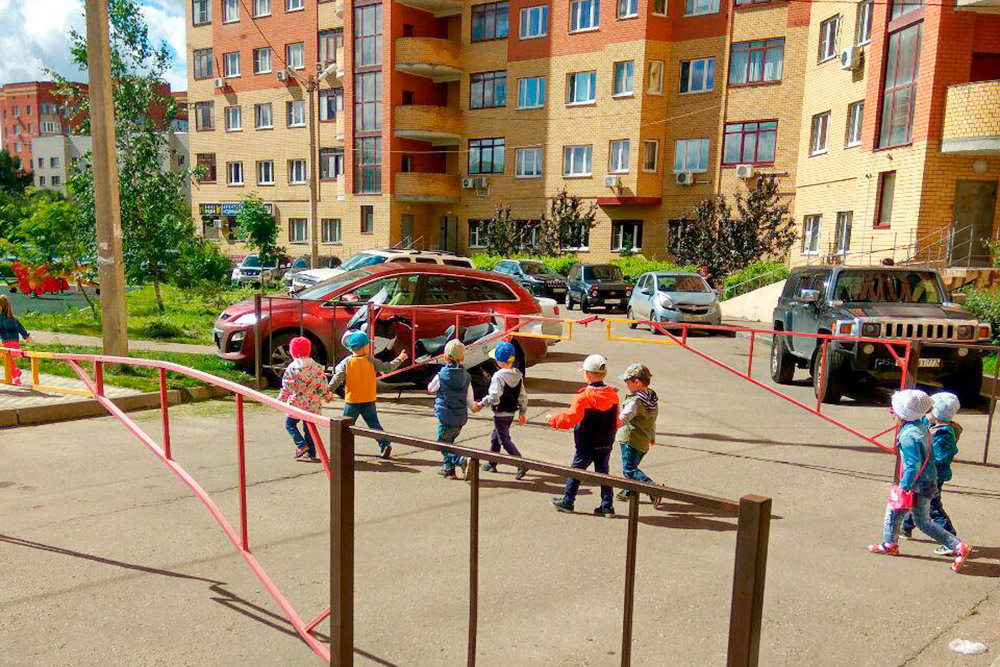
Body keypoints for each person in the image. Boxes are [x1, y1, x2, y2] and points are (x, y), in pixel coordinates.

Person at [869, 389, 972, 572]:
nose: (892, 414)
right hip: (927, 480)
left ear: (902, 414)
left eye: (895, 410)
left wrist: (904, 487)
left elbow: (912, 466)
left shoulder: (909, 435)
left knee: (910, 516)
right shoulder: (919, 426)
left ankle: (958, 546)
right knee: (908, 516)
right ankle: (890, 543)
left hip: (918, 483)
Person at [548, 354, 620, 517]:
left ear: (587, 374)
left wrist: (553, 419)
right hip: (606, 440)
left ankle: (568, 501)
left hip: (587, 442)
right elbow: (616, 419)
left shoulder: (583, 397)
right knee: (603, 472)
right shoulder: (613, 395)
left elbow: (571, 418)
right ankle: (607, 505)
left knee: (576, 470)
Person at [329, 331, 408, 459]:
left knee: (345, 426)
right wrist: (400, 359)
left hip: (352, 400)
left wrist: (329, 391)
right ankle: (384, 444)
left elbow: (337, 378)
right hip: (368, 399)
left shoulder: (347, 362)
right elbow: (387, 367)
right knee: (373, 424)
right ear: (364, 347)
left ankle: (342, 450)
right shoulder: (370, 360)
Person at [901, 392, 962, 552]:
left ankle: (951, 540)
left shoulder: (943, 434)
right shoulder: (936, 426)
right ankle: (906, 527)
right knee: (918, 501)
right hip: (926, 474)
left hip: (933, 476)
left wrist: (925, 458)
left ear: (936, 414)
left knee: (933, 506)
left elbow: (941, 456)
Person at [473, 342, 528, 480]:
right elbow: (522, 395)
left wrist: (481, 403)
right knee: (495, 437)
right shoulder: (518, 376)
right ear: (513, 359)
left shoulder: (498, 377)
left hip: (500, 413)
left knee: (504, 439)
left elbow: (494, 397)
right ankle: (492, 463)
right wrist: (522, 412)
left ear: (497, 360)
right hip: (511, 413)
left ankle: (520, 463)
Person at [277, 336, 332, 462]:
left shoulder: (293, 368)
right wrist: (327, 396)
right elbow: (322, 384)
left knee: (290, 424)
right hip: (313, 404)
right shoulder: (317, 367)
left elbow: (287, 386)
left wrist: (280, 400)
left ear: (293, 352)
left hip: (297, 403)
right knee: (310, 429)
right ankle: (311, 453)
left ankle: (301, 445)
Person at [427, 339, 473, 479]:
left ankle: (461, 460)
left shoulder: (441, 376)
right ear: (463, 357)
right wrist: (473, 407)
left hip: (445, 415)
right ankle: (449, 470)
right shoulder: (466, 377)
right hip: (460, 417)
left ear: (445, 357)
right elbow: (469, 397)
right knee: (449, 442)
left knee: (442, 443)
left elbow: (431, 388)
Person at [615, 363, 659, 505]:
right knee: (633, 466)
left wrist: (610, 427)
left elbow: (624, 418)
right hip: (644, 439)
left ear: (637, 382)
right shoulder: (651, 398)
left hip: (630, 440)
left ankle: (654, 489)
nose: (626, 384)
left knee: (630, 471)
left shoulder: (634, 402)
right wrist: (652, 436)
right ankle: (629, 491)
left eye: (627, 381)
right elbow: (652, 420)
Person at [0, 294, 34, 386]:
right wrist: (27, 337)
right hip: (16, 346)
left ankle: (15, 372)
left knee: (3, 354)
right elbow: (22, 330)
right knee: (5, 356)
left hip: (7, 346)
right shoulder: (14, 319)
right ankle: (15, 377)